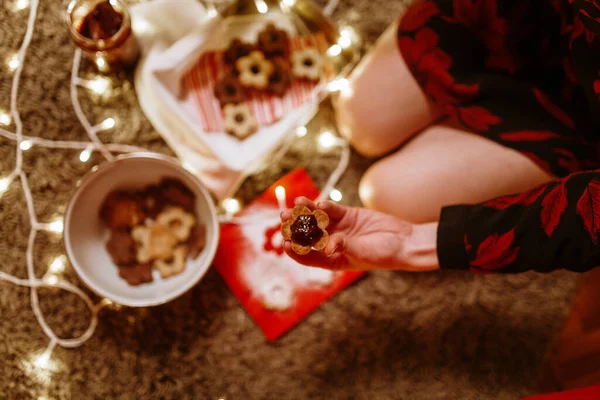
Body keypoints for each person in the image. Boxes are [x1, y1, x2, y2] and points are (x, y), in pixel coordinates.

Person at [282, 0, 600, 273]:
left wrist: (416, 244)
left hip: (576, 112)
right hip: (506, 19)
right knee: (357, 119)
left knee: (386, 194)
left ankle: (473, 124)